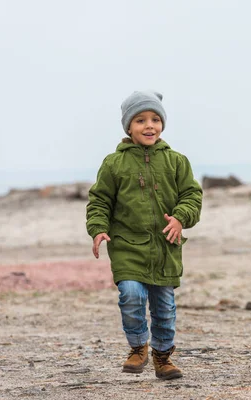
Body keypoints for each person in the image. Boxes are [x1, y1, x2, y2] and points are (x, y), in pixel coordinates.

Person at [86, 90, 202, 380]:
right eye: (140, 120)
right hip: (126, 245)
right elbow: (100, 200)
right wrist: (98, 228)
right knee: (131, 295)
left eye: (155, 119)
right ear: (128, 127)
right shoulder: (114, 164)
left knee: (164, 307)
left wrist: (180, 218)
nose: (149, 125)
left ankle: (162, 357)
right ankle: (138, 346)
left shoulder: (176, 161)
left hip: (165, 246)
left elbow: (192, 195)